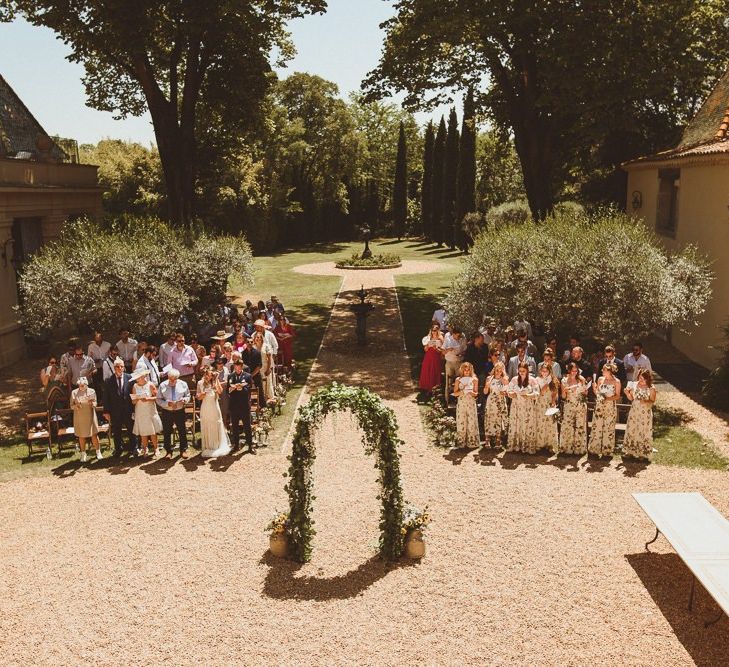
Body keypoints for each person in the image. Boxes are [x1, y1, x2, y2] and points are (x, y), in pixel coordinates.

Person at [196, 365, 232, 458]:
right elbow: (198, 397)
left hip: (214, 407)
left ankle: (217, 445)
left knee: (216, 423)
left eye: (211, 375)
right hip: (205, 407)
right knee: (207, 424)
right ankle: (208, 446)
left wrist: (216, 380)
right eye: (207, 375)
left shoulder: (214, 382)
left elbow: (220, 391)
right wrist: (202, 394)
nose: (209, 377)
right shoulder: (200, 383)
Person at [588, 362, 622, 457]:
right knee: (597, 426)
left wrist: (607, 399)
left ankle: (607, 451)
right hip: (599, 406)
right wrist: (595, 389)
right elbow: (598, 394)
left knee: (608, 427)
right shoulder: (600, 379)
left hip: (610, 406)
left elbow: (618, 395)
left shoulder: (617, 381)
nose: (602, 371)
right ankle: (594, 449)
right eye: (602, 369)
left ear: (610, 371)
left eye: (604, 370)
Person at [104, 358, 136, 457]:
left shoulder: (130, 378)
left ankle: (134, 448)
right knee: (117, 431)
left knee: (131, 430)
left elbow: (133, 393)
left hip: (128, 409)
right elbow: (106, 397)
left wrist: (135, 409)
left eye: (121, 366)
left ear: (124, 367)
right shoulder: (109, 380)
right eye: (117, 366)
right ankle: (118, 449)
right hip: (115, 411)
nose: (119, 368)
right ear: (114, 368)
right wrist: (106, 411)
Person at [156, 368, 191, 459]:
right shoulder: (163, 385)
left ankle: (183, 450)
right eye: (170, 379)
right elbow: (158, 399)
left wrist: (184, 400)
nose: (172, 381)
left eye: (174, 379)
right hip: (167, 411)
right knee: (167, 431)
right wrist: (167, 404)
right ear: (168, 377)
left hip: (179, 410)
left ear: (178, 378)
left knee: (182, 430)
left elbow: (188, 396)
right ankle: (168, 451)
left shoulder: (183, 384)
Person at [623, 368, 656, 461]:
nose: (641, 380)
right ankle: (630, 452)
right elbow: (631, 398)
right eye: (640, 378)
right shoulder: (635, 385)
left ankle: (643, 453)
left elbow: (652, 401)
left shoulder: (651, 388)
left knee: (643, 432)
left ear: (647, 379)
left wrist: (645, 401)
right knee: (632, 430)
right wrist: (627, 393)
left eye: (643, 378)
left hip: (645, 413)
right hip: (634, 412)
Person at [506, 362, 539, 453]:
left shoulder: (532, 380)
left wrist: (528, 395)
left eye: (523, 371)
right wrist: (512, 394)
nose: (521, 372)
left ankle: (527, 446)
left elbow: (537, 393)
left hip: (528, 405)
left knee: (527, 424)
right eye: (520, 371)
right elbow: (509, 391)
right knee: (516, 424)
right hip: (516, 405)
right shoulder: (514, 379)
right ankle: (516, 445)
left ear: (527, 370)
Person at [130, 367, 162, 457]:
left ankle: (156, 448)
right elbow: (133, 401)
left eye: (142, 376)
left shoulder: (150, 385)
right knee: (143, 432)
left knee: (152, 431)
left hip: (150, 410)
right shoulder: (135, 386)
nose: (140, 379)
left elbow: (157, 397)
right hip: (140, 411)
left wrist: (148, 398)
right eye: (138, 377)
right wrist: (137, 399)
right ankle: (145, 449)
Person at [558, 362, 588, 455]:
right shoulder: (564, 380)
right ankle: (567, 448)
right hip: (569, 404)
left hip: (580, 404)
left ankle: (579, 448)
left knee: (579, 425)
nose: (574, 373)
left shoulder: (581, 379)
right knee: (568, 425)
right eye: (572, 371)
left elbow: (586, 393)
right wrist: (566, 391)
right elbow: (563, 396)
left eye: (576, 371)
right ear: (569, 371)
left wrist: (583, 390)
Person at [70, 376, 102, 462]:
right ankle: (83, 454)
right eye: (80, 385)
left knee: (94, 435)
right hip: (80, 416)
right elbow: (71, 406)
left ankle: (98, 452)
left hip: (90, 415)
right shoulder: (74, 392)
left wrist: (92, 403)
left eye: (83, 385)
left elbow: (95, 403)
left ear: (86, 384)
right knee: (81, 436)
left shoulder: (92, 391)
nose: (81, 387)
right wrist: (76, 406)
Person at [228, 358, 254, 452]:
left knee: (247, 426)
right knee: (234, 426)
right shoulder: (230, 376)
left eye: (239, 367)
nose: (237, 369)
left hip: (244, 405)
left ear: (241, 367)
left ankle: (250, 445)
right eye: (235, 367)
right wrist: (233, 388)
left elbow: (249, 387)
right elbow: (228, 389)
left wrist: (242, 388)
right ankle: (236, 445)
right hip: (234, 405)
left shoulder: (247, 376)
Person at [453, 362, 480, 449]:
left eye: (468, 370)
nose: (467, 371)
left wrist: (472, 392)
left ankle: (471, 442)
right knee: (461, 420)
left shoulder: (474, 379)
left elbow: (476, 393)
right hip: (461, 402)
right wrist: (462, 391)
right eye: (465, 370)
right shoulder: (458, 380)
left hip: (471, 402)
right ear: (462, 370)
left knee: (471, 421)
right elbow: (455, 393)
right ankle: (461, 442)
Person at [483, 362, 509, 448]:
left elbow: (507, 392)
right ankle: (487, 439)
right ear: (494, 370)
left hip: (500, 400)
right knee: (489, 418)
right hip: (491, 400)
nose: (498, 372)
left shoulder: (505, 378)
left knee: (499, 419)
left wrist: (504, 392)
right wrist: (486, 386)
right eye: (497, 370)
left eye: (500, 371)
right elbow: (485, 392)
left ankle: (498, 440)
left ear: (502, 371)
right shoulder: (489, 378)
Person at [534, 364, 559, 453]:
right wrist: (545, 386)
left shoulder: (553, 380)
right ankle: (540, 444)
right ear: (540, 371)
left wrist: (553, 401)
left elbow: (555, 392)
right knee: (540, 422)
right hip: (541, 403)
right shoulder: (537, 380)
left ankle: (550, 444)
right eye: (543, 371)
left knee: (550, 423)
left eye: (546, 371)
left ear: (549, 371)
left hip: (549, 403)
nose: (544, 373)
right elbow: (539, 393)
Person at [463, 332, 490, 402]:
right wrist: (470, 371)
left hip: (481, 370)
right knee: (471, 384)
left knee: (482, 383)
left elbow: (486, 360)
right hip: (472, 370)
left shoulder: (485, 347)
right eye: (481, 340)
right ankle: (472, 400)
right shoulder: (469, 347)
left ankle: (481, 401)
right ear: (476, 339)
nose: (482, 341)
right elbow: (466, 360)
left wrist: (485, 370)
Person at [442, 327, 466, 400]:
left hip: (459, 362)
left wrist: (461, 354)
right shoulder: (448, 339)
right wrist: (448, 349)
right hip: (450, 362)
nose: (459, 337)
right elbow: (443, 352)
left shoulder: (462, 339)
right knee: (449, 382)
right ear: (454, 334)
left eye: (460, 336)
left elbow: (465, 350)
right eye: (458, 336)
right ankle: (448, 399)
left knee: (459, 381)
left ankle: (459, 399)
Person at [419, 324, 444, 393]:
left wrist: (436, 349)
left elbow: (442, 350)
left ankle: (435, 388)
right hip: (428, 356)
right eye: (432, 330)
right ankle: (427, 387)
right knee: (427, 370)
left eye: (435, 330)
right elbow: (425, 350)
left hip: (436, 356)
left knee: (435, 371)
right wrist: (427, 346)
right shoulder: (428, 338)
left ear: (438, 330)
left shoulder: (440, 338)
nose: (433, 332)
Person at [253, 331, 275, 402]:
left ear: (262, 338)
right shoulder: (253, 347)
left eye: (259, 337)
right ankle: (260, 400)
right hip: (257, 368)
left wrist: (268, 369)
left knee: (267, 383)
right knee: (259, 384)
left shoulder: (266, 346)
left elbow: (269, 358)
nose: (258, 339)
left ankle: (269, 399)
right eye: (256, 337)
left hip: (265, 367)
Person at [214, 356, 230, 427]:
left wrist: (219, 383)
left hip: (225, 392)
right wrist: (222, 383)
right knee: (217, 409)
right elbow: (213, 383)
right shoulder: (213, 372)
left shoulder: (226, 369)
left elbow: (228, 381)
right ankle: (217, 426)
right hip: (216, 392)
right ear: (216, 364)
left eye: (222, 363)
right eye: (218, 363)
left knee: (225, 408)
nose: (220, 364)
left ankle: (225, 425)